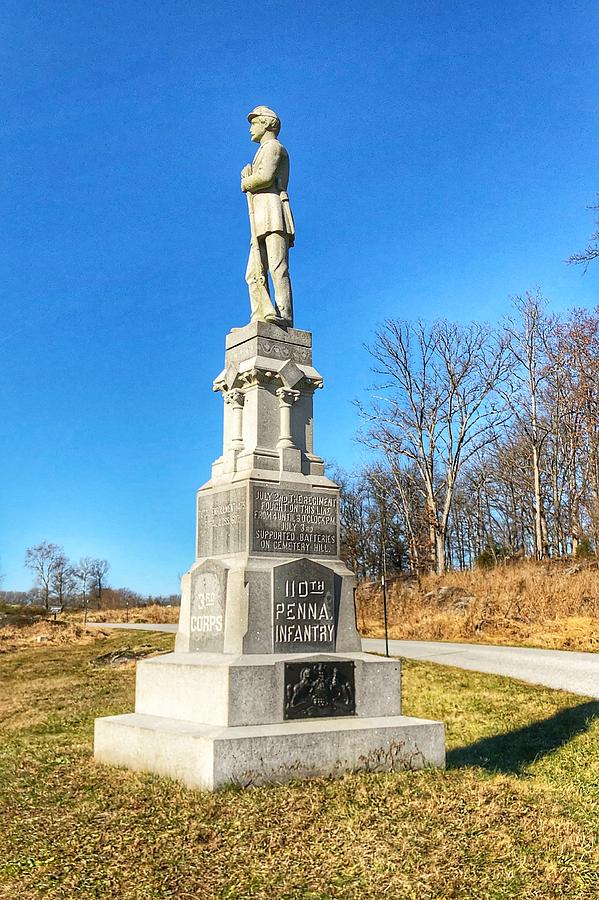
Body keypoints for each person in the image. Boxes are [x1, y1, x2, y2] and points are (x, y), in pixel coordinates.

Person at [241, 106, 295, 327]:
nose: (250, 129)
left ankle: (283, 315)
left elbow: (266, 177)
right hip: (261, 213)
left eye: (254, 123)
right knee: (254, 272)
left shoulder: (273, 147)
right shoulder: (263, 149)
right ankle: (260, 314)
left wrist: (247, 180)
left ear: (266, 123)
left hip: (273, 211)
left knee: (277, 267)